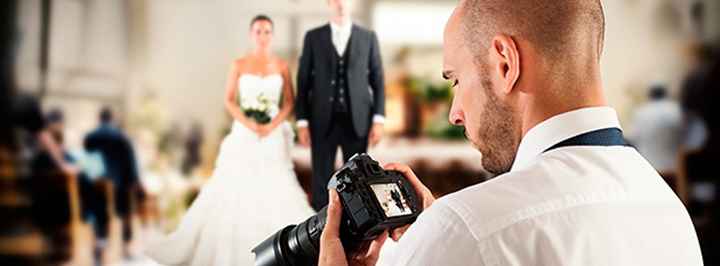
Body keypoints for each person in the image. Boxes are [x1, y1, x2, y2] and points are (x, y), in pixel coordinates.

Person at [319, 0, 703, 265]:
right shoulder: (670, 210)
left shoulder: (466, 229)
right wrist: (441, 232)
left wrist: (446, 232)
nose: (454, 113)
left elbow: (483, 234)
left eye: (455, 80)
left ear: (505, 63)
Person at [144, 15, 314, 266]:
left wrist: (271, 124)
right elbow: (229, 100)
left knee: (275, 186)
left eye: (267, 32)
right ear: (251, 34)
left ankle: (284, 248)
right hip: (246, 132)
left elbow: (289, 101)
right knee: (235, 186)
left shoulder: (280, 65)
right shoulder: (239, 64)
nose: (263, 36)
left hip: (272, 135)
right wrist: (251, 123)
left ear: (272, 35)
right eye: (258, 31)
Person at [296, 0, 386, 211]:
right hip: (321, 119)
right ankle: (320, 226)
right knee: (321, 178)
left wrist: (378, 119)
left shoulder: (368, 37)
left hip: (358, 120)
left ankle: (355, 223)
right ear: (329, 3)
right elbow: (303, 82)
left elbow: (378, 80)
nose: (341, 3)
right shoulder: (313, 37)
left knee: (356, 176)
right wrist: (301, 121)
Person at [84, 107, 141, 257]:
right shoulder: (121, 137)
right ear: (112, 118)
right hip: (120, 184)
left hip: (97, 183)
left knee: (99, 210)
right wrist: (134, 181)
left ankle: (100, 241)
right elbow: (131, 161)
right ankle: (126, 246)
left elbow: (86, 159)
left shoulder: (90, 137)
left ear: (99, 118)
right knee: (126, 211)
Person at [628, 85, 683, 177]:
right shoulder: (676, 110)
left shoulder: (641, 113)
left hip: (651, 169)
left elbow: (632, 138)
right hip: (676, 170)